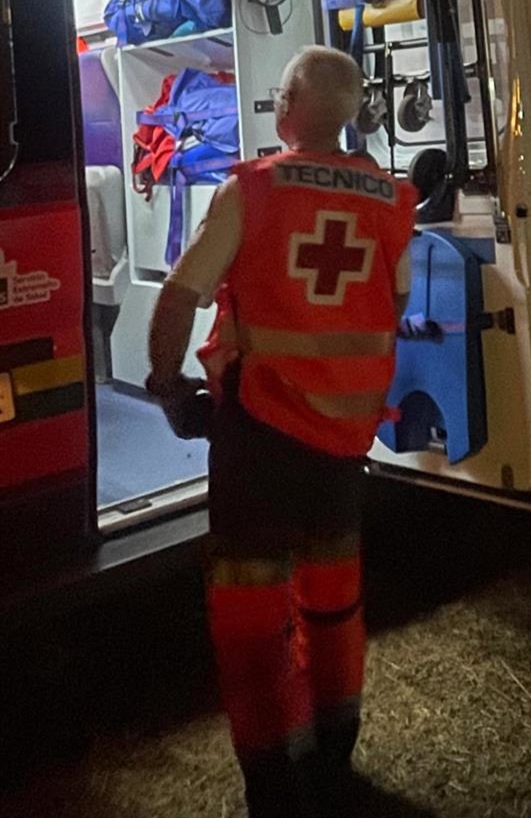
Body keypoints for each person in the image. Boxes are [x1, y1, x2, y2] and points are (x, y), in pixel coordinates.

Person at [146, 46, 418, 817]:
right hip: (344, 441)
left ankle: (272, 775)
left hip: (260, 435)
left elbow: (180, 297)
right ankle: (335, 753)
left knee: (250, 612)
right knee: (334, 603)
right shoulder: (390, 197)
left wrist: (168, 384)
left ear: (291, 104)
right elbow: (391, 302)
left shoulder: (252, 188)